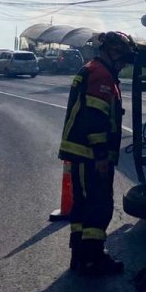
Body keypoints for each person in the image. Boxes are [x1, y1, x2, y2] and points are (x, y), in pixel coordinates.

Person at [58, 31, 137, 275]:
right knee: (98, 205)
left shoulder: (93, 70)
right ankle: (93, 258)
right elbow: (95, 117)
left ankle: (80, 255)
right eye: (123, 61)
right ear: (113, 53)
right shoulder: (101, 75)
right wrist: (101, 155)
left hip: (83, 153)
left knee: (83, 205)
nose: (123, 66)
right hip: (91, 155)